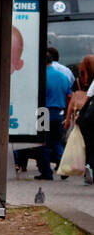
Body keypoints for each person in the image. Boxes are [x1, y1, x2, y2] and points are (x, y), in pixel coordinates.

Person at [36, 46, 74, 180]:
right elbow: (70, 96)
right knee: (57, 142)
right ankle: (64, 167)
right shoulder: (64, 77)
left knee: (42, 144)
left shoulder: (40, 76)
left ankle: (46, 172)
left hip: (43, 113)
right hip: (59, 113)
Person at [64, 55, 94, 184]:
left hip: (88, 117)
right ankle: (90, 166)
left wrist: (71, 117)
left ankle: (88, 166)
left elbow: (84, 98)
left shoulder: (78, 81)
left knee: (88, 144)